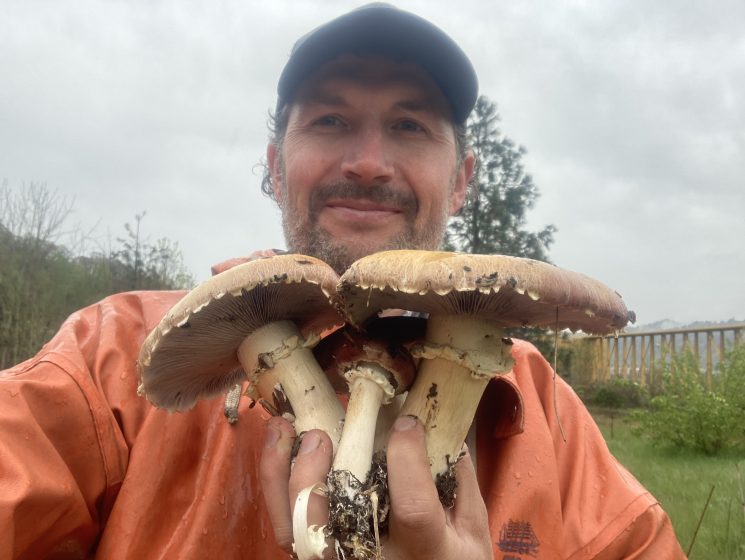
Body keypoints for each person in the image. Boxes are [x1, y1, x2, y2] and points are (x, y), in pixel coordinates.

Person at [0, 4, 685, 559]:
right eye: (330, 120)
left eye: (409, 125)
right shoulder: (107, 360)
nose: (366, 162)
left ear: (462, 180)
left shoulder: (547, 414)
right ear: (273, 164)